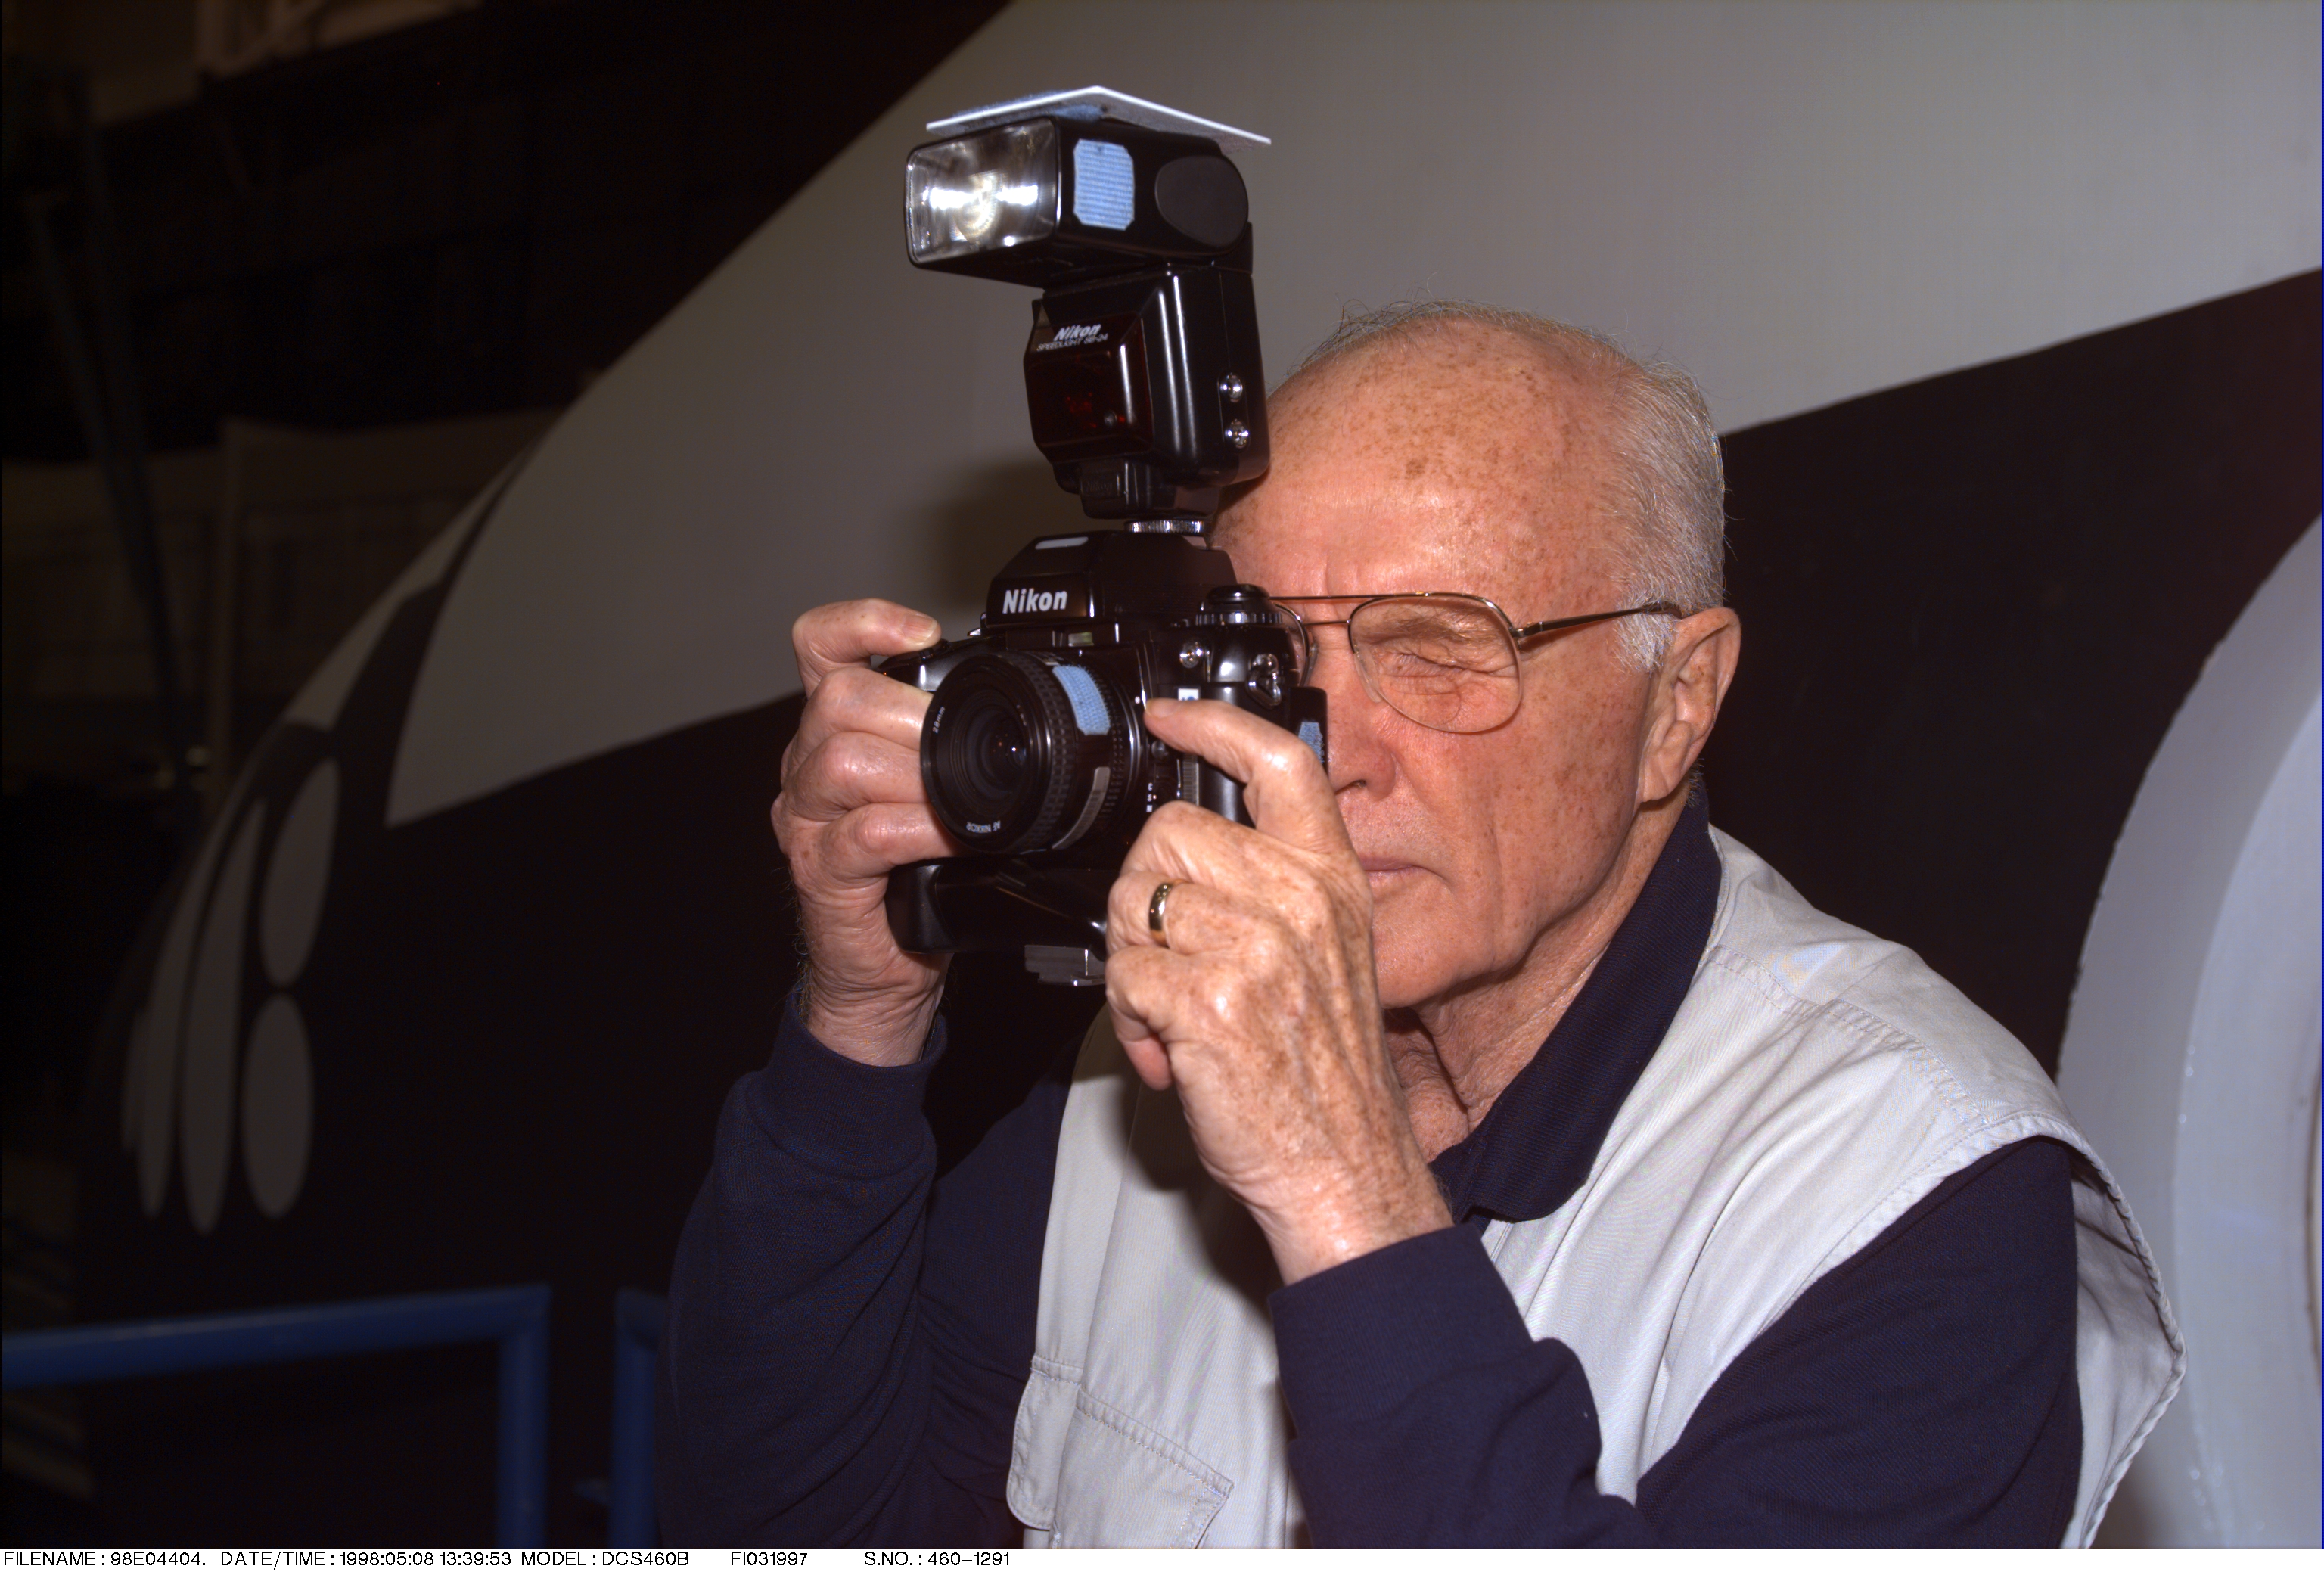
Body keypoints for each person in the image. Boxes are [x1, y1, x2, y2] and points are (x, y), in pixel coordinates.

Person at [657, 304, 2180, 1546]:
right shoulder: (1144, 1083)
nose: (1329, 750)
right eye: (1272, 652)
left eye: (1441, 649)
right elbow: (788, 1529)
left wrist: (1338, 1188)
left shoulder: (1905, 1186)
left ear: (1677, 703)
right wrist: (861, 1025)